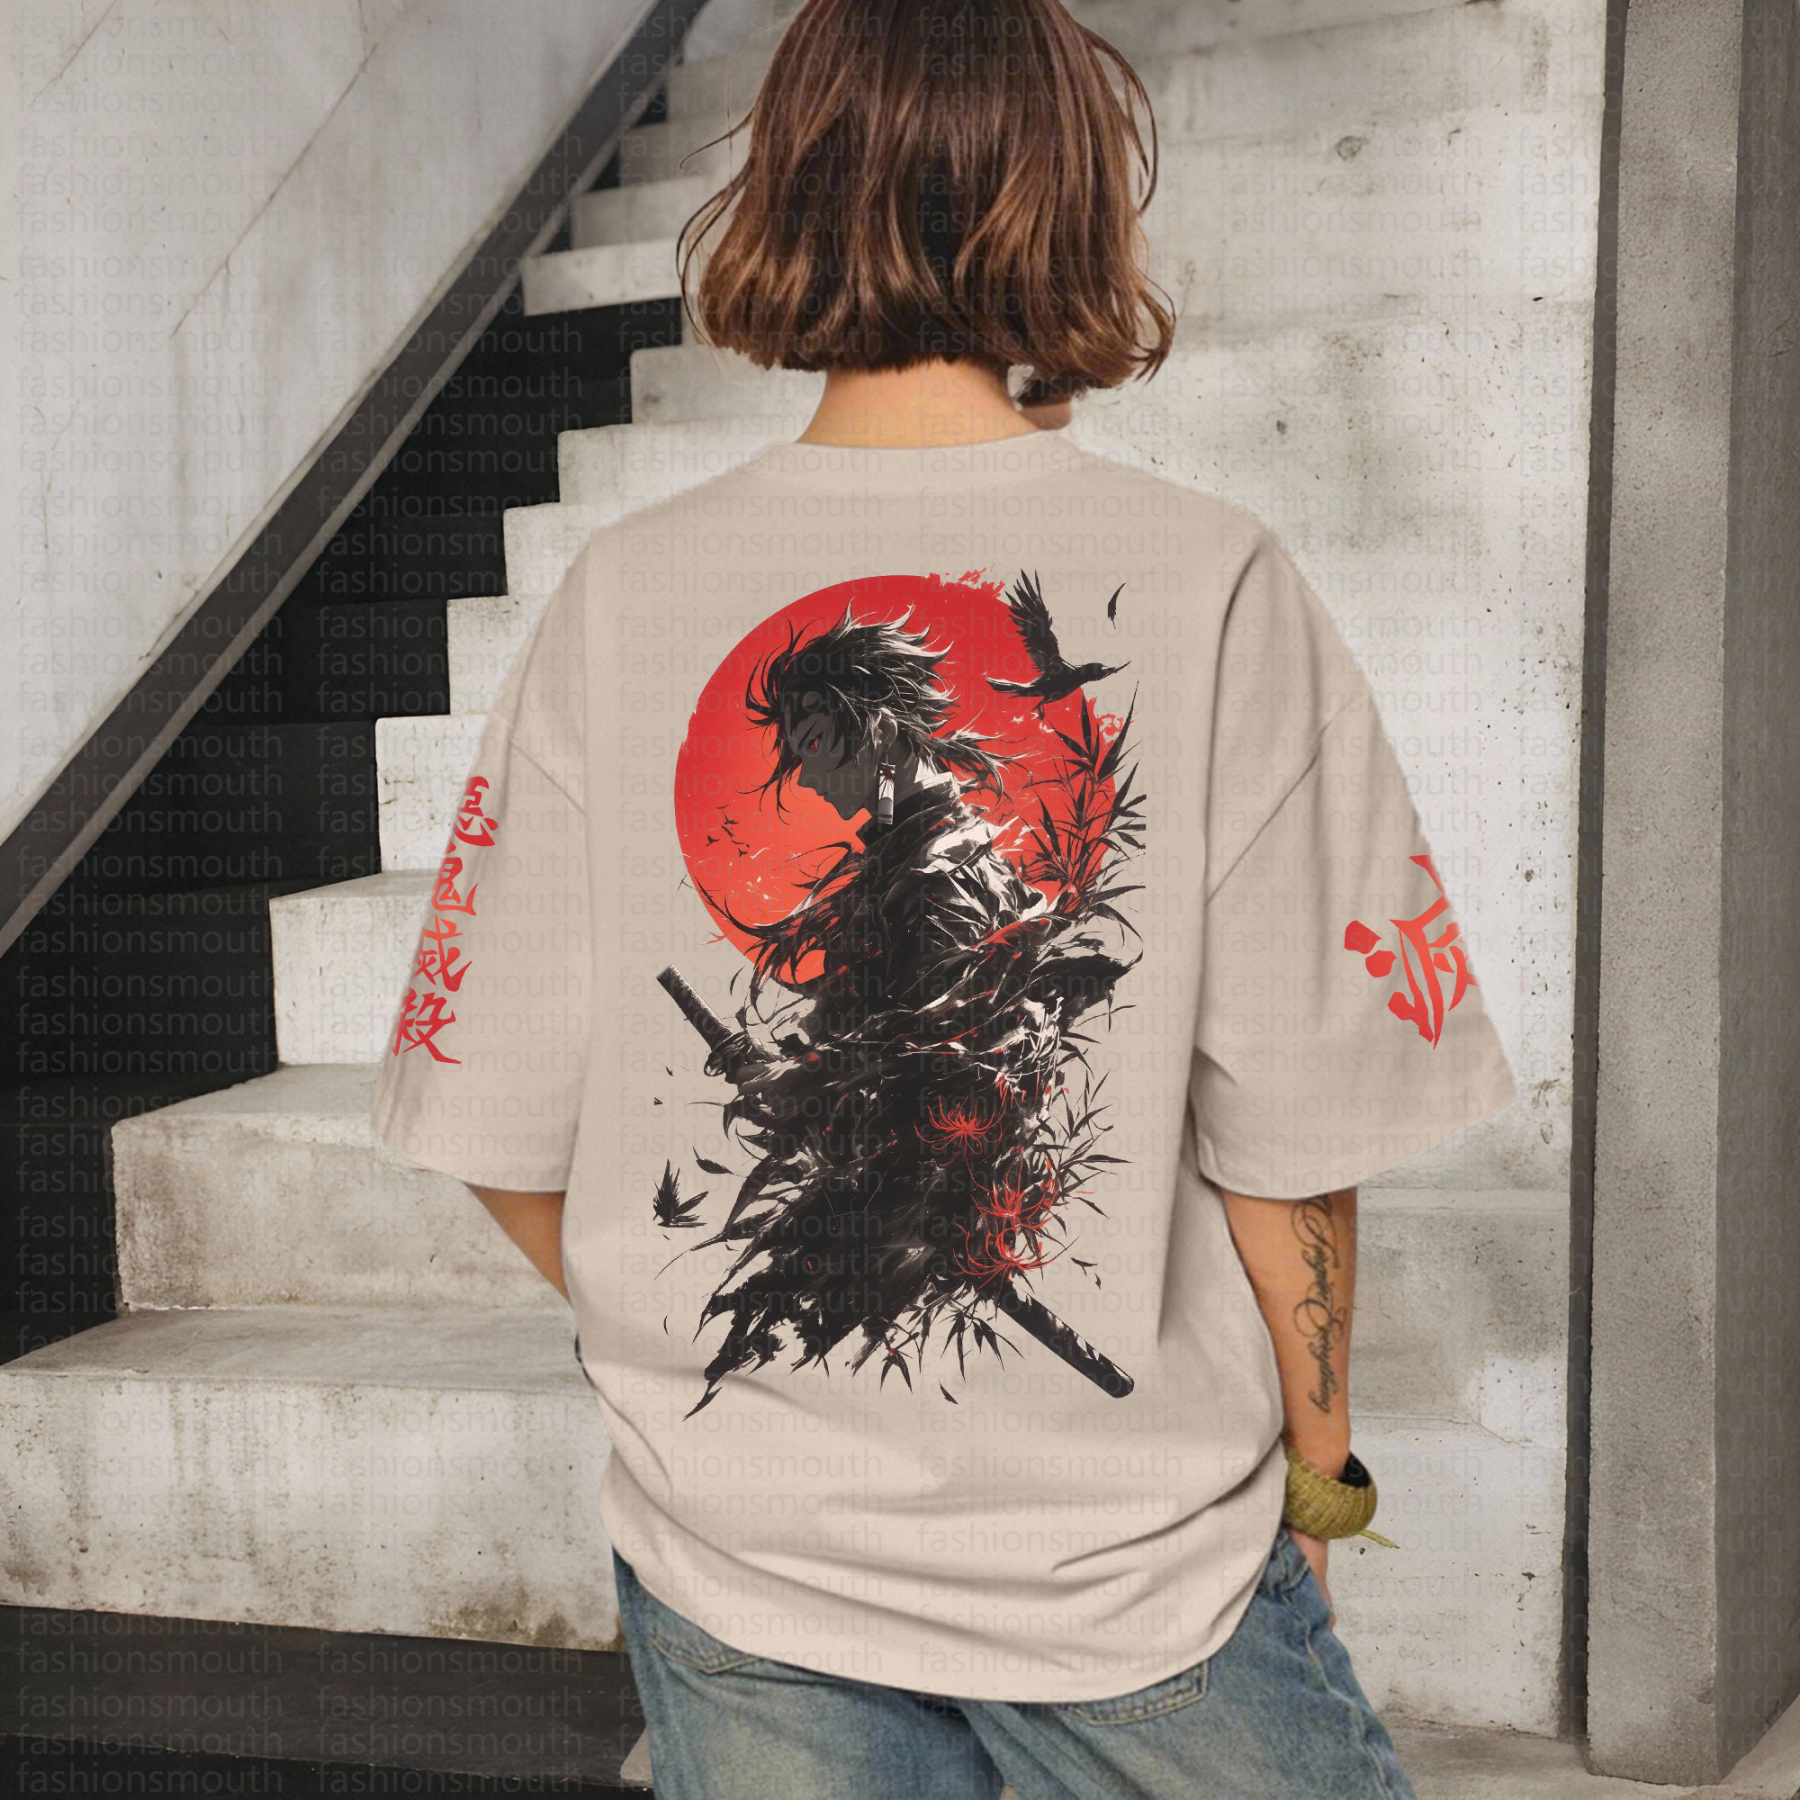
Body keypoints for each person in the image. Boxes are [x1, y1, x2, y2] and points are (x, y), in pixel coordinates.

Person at [370, 2, 1518, 1795]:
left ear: (790, 191)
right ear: (1072, 200)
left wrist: (685, 1334)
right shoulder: (1211, 581)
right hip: (1125, 1578)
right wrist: (1320, 1474)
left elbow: (498, 1123)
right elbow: (1296, 1138)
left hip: (738, 1557)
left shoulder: (624, 594)